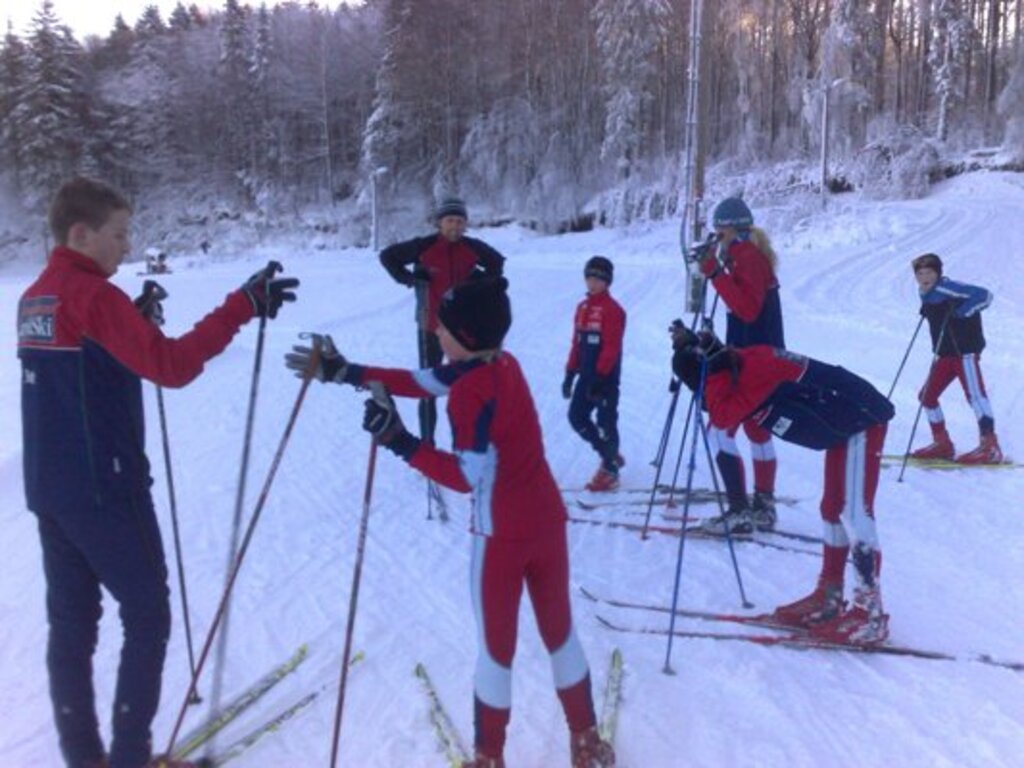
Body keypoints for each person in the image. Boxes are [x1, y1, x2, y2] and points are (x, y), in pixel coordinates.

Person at [17, 177, 299, 768]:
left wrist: (134, 325)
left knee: (72, 626)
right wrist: (241, 306)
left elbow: (83, 373)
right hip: (106, 490)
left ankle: (84, 755)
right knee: (148, 614)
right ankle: (126, 757)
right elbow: (171, 367)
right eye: (118, 234)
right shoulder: (94, 297)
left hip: (52, 490)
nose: (127, 245)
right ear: (80, 233)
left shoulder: (38, 294)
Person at [285, 278, 614, 768]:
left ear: (464, 333)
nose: (434, 329)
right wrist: (346, 371)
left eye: (442, 324)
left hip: (499, 536)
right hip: (547, 524)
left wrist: (399, 440)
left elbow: (465, 478)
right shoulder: (501, 362)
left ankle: (489, 757)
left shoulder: (468, 392)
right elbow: (423, 381)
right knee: (560, 633)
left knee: (496, 652)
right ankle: (585, 741)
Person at [672, 328, 895, 645]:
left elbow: (721, 417)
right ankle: (828, 594)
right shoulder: (743, 367)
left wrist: (713, 371)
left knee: (854, 512)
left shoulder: (752, 374)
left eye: (703, 391)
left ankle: (869, 614)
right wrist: (708, 355)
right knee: (831, 509)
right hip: (840, 425)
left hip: (861, 418)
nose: (706, 400)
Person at [691, 196, 785, 534]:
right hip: (760, 358)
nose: (716, 237)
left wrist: (714, 273)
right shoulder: (746, 256)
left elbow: (747, 309)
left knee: (719, 431)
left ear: (732, 229)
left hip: (753, 363)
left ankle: (740, 509)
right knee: (757, 430)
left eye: (719, 231)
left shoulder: (747, 258)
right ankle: (763, 505)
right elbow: (747, 312)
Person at [378, 196, 505, 444]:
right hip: (430, 327)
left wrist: (479, 281)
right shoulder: (423, 246)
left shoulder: (473, 248)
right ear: (439, 222)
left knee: (472, 384)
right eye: (450, 221)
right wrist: (411, 279)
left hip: (465, 332)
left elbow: (497, 264)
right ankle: (428, 445)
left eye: (460, 221)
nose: (455, 226)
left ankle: (476, 442)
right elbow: (388, 257)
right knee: (428, 388)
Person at [909, 253, 1002, 464]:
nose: (924, 277)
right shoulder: (925, 292)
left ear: (938, 273)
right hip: (945, 353)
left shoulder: (947, 287)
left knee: (976, 397)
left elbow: (985, 296)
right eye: (920, 273)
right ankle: (942, 445)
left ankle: (990, 447)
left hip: (964, 352)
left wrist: (962, 312)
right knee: (927, 396)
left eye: (929, 273)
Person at [562, 256, 627, 492]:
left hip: (605, 378)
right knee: (576, 417)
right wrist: (570, 373)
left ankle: (610, 471)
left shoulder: (613, 310)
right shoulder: (582, 308)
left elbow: (611, 347)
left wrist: (600, 378)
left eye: (599, 279)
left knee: (605, 422)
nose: (593, 283)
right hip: (586, 376)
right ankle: (608, 453)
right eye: (590, 277)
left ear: (608, 282)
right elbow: (577, 344)